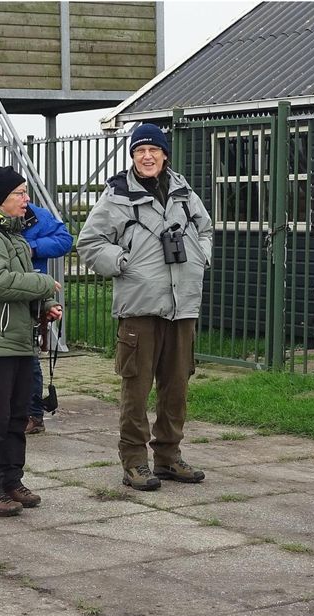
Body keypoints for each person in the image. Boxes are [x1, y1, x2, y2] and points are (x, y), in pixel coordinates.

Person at [76, 123, 213, 491]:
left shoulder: (184, 192)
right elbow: (89, 242)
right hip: (139, 307)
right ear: (133, 157)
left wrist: (201, 257)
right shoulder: (117, 196)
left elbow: (205, 229)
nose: (147, 156)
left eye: (153, 150)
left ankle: (169, 457)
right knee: (136, 391)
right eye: (140, 151)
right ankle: (134, 462)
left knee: (176, 387)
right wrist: (123, 262)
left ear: (165, 154)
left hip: (181, 306)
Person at [0, 166, 63, 517]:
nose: (26, 199)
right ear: (1, 198)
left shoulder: (14, 235)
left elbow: (24, 280)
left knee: (17, 415)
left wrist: (46, 306)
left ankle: (10, 481)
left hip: (17, 337)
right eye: (20, 193)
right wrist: (45, 286)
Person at [0, 201, 73, 435]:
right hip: (3, 302)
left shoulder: (37, 215)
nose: (24, 198)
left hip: (33, 292)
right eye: (19, 192)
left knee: (30, 359)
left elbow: (65, 240)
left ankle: (33, 414)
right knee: (9, 373)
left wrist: (33, 247)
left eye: (24, 192)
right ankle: (15, 416)